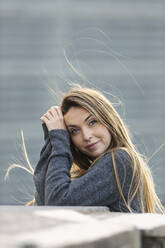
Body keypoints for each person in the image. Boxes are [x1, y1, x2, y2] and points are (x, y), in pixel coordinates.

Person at [31, 85, 164, 212]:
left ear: (108, 120)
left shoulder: (119, 161)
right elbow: (44, 203)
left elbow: (56, 204)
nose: (86, 136)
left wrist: (58, 137)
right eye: (74, 131)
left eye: (92, 122)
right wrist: (52, 138)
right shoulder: (99, 169)